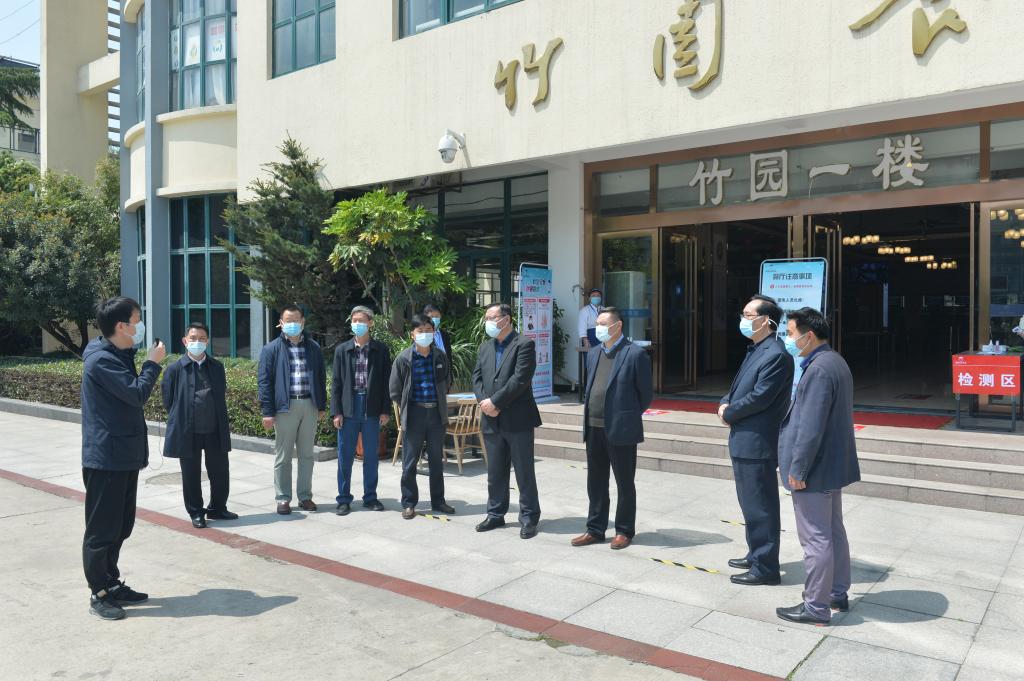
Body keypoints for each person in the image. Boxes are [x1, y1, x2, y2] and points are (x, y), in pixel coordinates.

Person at [80, 296, 165, 620]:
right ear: (121, 326)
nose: (140, 327)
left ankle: (111, 582)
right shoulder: (101, 360)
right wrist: (152, 363)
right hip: (106, 458)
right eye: (137, 321)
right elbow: (136, 393)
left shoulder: (117, 352)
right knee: (102, 530)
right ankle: (98, 593)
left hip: (124, 455)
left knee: (120, 526)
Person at [776, 307, 861, 626]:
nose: (788, 339)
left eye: (791, 333)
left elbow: (810, 427)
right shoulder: (834, 361)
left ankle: (815, 606)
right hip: (831, 465)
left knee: (815, 538)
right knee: (833, 531)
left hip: (815, 468)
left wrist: (797, 469)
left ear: (808, 336)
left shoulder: (818, 370)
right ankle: (836, 592)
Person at [718, 295, 793, 585]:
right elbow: (738, 388)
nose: (743, 320)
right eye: (744, 314)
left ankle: (765, 568)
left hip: (757, 442)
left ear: (766, 321)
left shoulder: (776, 355)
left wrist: (730, 412)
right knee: (750, 504)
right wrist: (724, 403)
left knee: (761, 507)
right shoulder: (757, 350)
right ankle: (755, 554)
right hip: (744, 439)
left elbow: (760, 397)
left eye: (749, 316)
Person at [571, 307, 653, 550]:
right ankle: (595, 528)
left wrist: (625, 416)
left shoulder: (635, 354)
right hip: (593, 426)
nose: (598, 328)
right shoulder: (594, 353)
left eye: (603, 324)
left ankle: (624, 530)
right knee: (596, 482)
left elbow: (645, 395)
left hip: (621, 429)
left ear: (618, 326)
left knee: (624, 482)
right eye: (597, 323)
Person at [473, 303, 542, 539]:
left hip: (517, 418)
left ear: (506, 319)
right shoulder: (485, 347)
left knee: (524, 471)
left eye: (492, 317)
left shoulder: (524, 344)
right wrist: (485, 402)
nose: (488, 322)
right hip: (491, 420)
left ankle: (529, 517)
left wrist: (496, 403)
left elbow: (520, 379)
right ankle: (495, 513)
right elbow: (477, 377)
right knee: (495, 471)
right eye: (486, 318)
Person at [161, 321, 236, 529]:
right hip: (188, 431)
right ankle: (196, 512)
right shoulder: (174, 369)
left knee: (220, 472)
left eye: (202, 339)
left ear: (208, 342)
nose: (197, 342)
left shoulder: (217, 367)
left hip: (214, 429)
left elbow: (220, 394)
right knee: (191, 474)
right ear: (185, 341)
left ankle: (218, 508)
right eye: (193, 338)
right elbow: (168, 401)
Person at [258, 305, 327, 516]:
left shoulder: (313, 347)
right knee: (283, 456)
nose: (292, 324)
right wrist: (267, 411)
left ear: (303, 322)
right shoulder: (271, 349)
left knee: (307, 454)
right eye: (288, 321)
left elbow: (320, 377)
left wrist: (321, 405)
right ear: (281, 322)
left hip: (309, 405)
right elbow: (264, 382)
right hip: (285, 408)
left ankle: (305, 496)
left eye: (296, 320)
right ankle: (283, 497)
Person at [390, 313, 455, 519]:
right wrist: (407, 407)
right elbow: (395, 390)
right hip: (415, 414)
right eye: (420, 331)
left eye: (428, 330)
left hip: (436, 414)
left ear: (433, 333)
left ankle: (439, 501)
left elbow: (447, 381)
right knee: (409, 462)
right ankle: (409, 503)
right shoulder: (404, 359)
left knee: (436, 460)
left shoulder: (440, 356)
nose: (425, 334)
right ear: (412, 334)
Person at [331, 305, 391, 516]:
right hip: (348, 406)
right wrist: (336, 412)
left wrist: (385, 410)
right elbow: (336, 383)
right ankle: (343, 499)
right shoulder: (342, 350)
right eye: (354, 320)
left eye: (361, 321)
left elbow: (386, 383)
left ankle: (370, 497)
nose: (357, 324)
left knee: (371, 456)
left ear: (370, 323)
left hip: (371, 406)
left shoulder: (381, 350)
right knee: (345, 456)